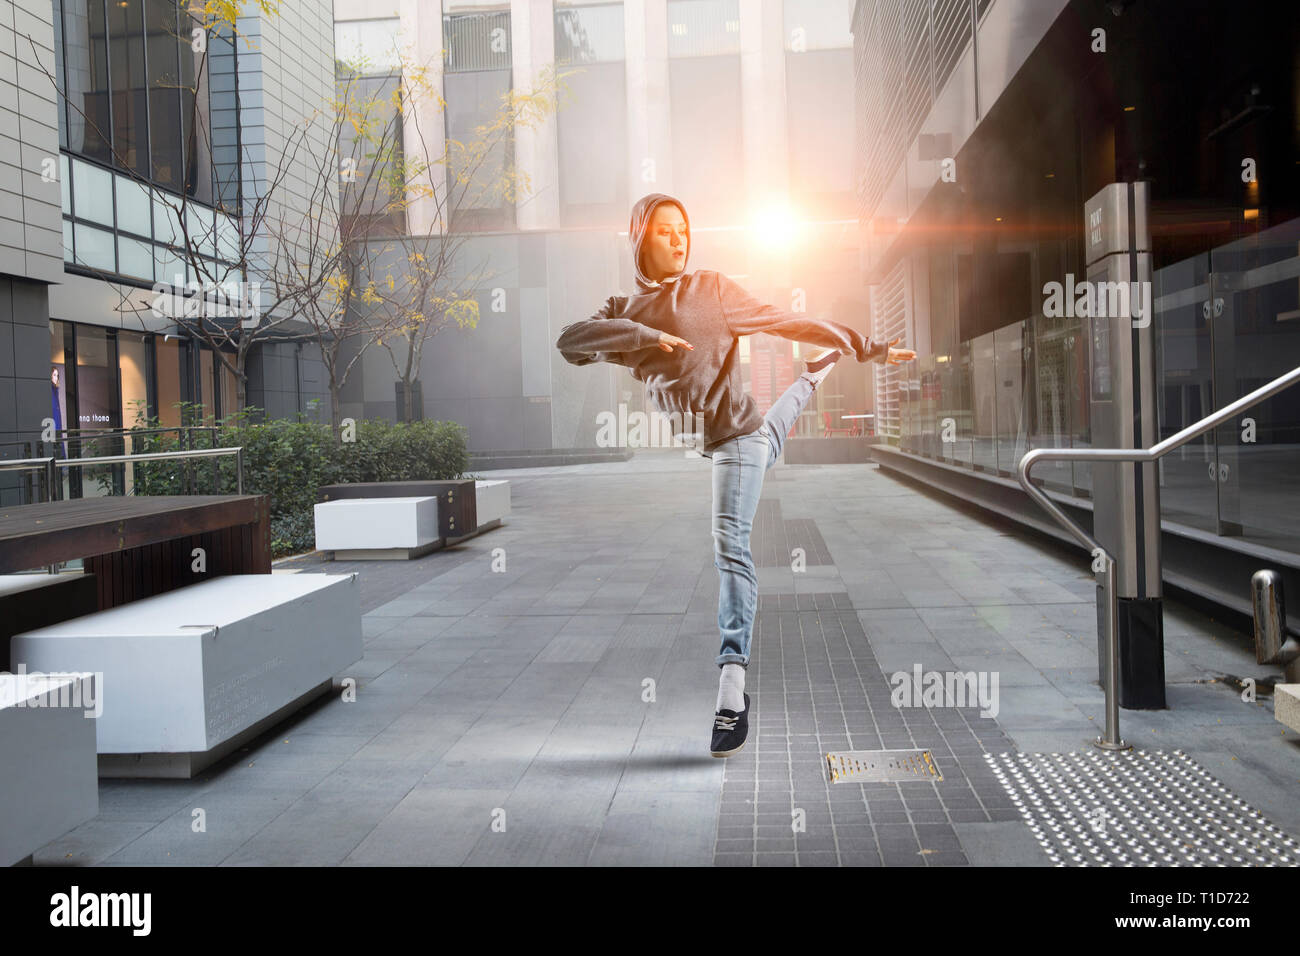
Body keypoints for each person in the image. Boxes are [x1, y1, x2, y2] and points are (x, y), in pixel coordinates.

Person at [556, 192, 916, 757]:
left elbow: (787, 319)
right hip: (734, 437)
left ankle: (732, 693)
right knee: (771, 441)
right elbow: (569, 343)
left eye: (684, 230)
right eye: (664, 230)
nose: (679, 239)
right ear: (638, 238)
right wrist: (644, 337)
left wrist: (866, 346)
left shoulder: (711, 290)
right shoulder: (623, 308)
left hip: (732, 440)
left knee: (730, 542)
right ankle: (813, 379)